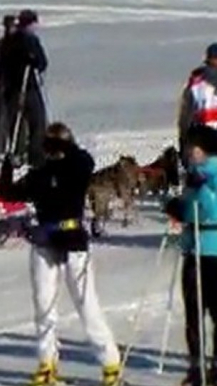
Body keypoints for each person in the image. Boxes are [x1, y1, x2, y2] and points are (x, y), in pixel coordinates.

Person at [0, 122, 121, 386]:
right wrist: (8, 167)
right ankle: (47, 363)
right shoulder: (40, 174)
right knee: (44, 305)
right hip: (44, 241)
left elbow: (85, 161)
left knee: (86, 304)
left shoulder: (75, 168)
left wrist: (66, 147)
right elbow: (6, 193)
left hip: (73, 240)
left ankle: (110, 364)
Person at [164, 125, 217, 386]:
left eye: (191, 148)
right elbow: (189, 209)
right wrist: (175, 206)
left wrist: (197, 191)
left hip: (213, 249)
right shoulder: (193, 177)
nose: (188, 153)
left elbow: (207, 209)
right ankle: (196, 367)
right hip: (194, 249)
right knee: (193, 313)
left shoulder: (211, 175)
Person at [0, 9, 48, 168]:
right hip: (27, 86)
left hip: (11, 88)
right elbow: (42, 62)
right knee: (37, 121)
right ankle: (35, 155)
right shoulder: (29, 40)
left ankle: (19, 152)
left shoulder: (8, 41)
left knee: (17, 120)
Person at [178, 43, 217, 168]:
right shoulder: (196, 82)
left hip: (199, 140)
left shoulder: (195, 82)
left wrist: (184, 144)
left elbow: (185, 117)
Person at [0, 14, 17, 158]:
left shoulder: (20, 43)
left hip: (16, 84)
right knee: (3, 116)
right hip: (5, 84)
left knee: (18, 116)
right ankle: (0, 148)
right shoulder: (0, 45)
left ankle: (17, 148)